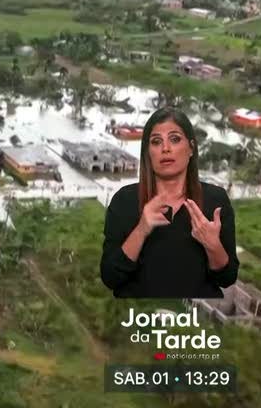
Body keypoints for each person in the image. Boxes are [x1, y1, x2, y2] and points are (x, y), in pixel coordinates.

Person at [100, 106, 238, 298]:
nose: (166, 148)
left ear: (191, 148)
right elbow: (110, 277)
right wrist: (141, 230)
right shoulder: (124, 200)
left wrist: (212, 245)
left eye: (174, 139)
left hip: (193, 323)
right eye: (156, 142)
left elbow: (227, 278)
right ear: (148, 152)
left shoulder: (215, 200)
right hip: (139, 320)